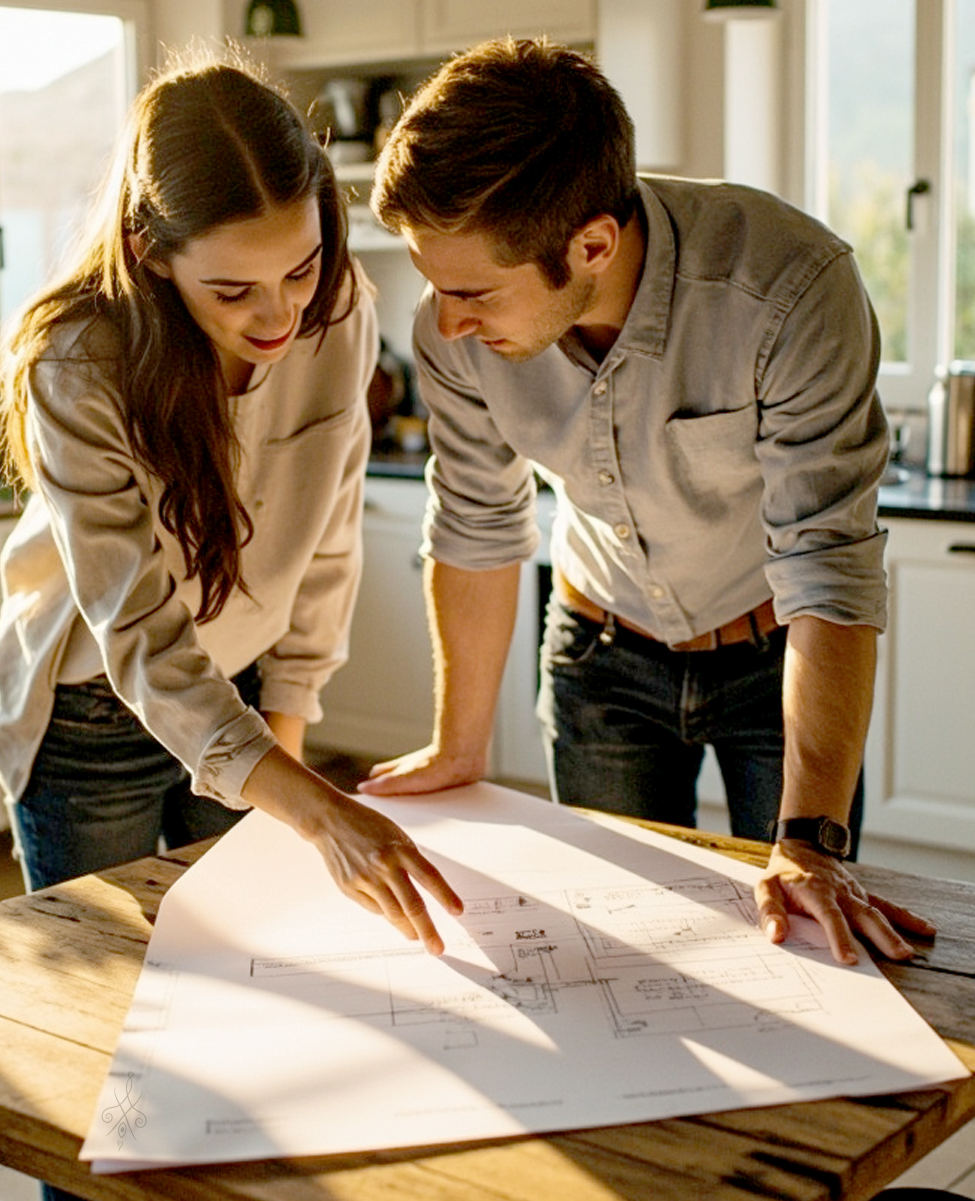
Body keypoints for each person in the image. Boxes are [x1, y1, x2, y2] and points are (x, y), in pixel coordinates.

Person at [358, 36, 935, 965]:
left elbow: (827, 565)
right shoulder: (451, 328)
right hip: (599, 660)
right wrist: (456, 747)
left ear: (591, 244)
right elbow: (475, 519)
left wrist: (811, 842)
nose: (447, 322)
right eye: (435, 286)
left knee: (804, 947)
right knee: (622, 960)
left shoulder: (787, 290)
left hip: (775, 661)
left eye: (473, 293)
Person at [0, 52, 462, 958]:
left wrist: (288, 729)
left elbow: (327, 539)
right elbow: (140, 633)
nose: (279, 314)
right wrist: (318, 813)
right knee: (108, 989)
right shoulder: (76, 362)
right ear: (150, 255)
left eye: (301, 267)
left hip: (240, 690)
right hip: (91, 722)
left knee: (247, 967)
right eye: (231, 290)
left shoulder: (340, 311)